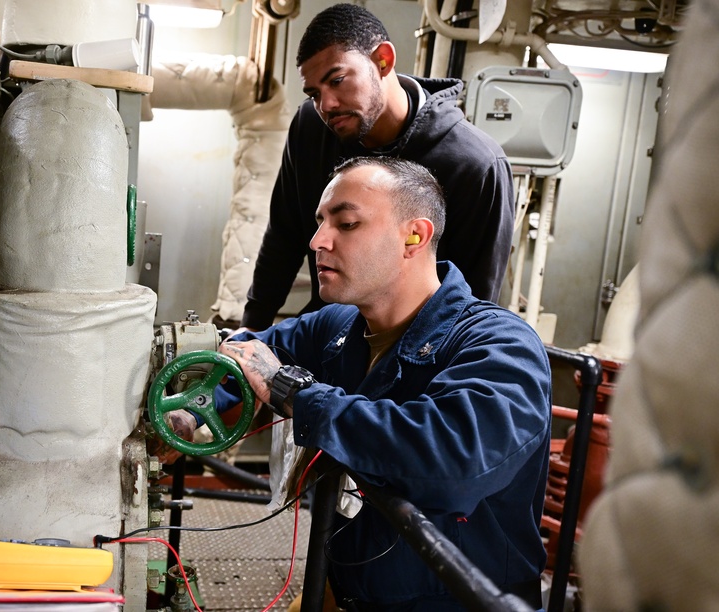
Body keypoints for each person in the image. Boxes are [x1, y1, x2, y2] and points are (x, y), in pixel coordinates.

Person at [220, 157, 551, 610]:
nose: (318, 241)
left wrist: (296, 395)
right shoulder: (341, 325)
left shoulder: (501, 346)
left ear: (414, 236)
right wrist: (188, 410)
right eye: (320, 222)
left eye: (348, 223)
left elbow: (454, 460)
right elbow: (248, 353)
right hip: (354, 589)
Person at [240, 3, 515, 331]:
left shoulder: (476, 165)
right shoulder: (311, 127)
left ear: (383, 60)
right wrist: (252, 329)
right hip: (327, 338)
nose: (326, 104)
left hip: (417, 357)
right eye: (314, 93)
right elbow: (283, 235)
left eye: (338, 80)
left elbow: (475, 301)